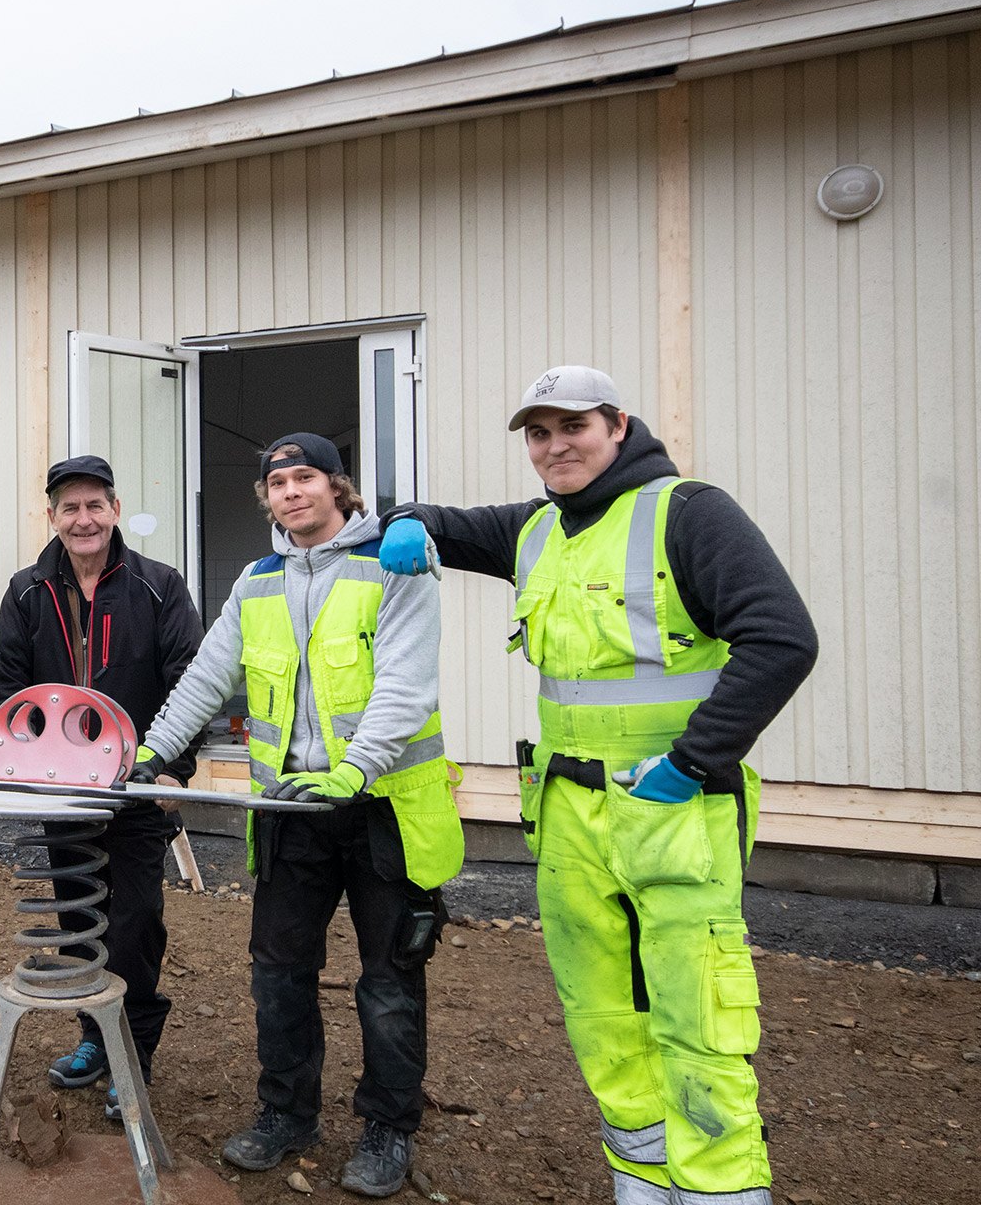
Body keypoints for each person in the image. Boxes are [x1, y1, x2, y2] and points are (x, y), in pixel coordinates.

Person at [377, 366, 817, 1205]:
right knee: (601, 1014)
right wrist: (407, 520)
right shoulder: (539, 529)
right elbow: (447, 523)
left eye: (571, 426)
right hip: (571, 817)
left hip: (675, 809)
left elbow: (782, 638)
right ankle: (642, 1181)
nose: (554, 447)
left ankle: (723, 1190)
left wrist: (692, 762)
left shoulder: (686, 512)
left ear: (618, 424)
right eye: (538, 434)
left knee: (698, 1015)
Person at [132, 433, 463, 1198]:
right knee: (278, 975)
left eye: (305, 477)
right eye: (277, 482)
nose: (290, 492)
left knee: (387, 981)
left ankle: (388, 1129)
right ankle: (287, 1114)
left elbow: (406, 684)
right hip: (290, 811)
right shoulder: (256, 582)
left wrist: (354, 769)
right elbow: (208, 677)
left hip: (381, 810)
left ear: (337, 488)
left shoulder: (393, 565)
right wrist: (153, 753)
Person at [0, 454, 206, 1119]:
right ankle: (93, 1037)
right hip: (61, 794)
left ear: (114, 511)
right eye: (69, 508)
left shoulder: (159, 587)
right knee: (80, 917)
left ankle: (131, 1058)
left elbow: (189, 681)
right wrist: (26, 767)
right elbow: (6, 683)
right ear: (51, 516)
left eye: (94, 506)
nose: (83, 519)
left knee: (134, 923)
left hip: (136, 792)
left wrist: (174, 767)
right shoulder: (27, 593)